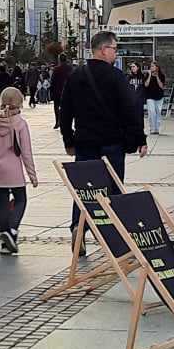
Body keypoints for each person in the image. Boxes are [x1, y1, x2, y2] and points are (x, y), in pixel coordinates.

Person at [56, 30, 148, 243]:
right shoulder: (116, 77)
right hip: (111, 144)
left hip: (85, 143)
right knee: (113, 189)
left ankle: (78, 227)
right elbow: (130, 110)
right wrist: (139, 139)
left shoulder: (76, 76)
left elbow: (65, 111)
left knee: (84, 191)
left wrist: (68, 140)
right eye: (114, 49)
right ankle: (115, 236)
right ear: (104, 50)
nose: (116, 53)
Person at [0, 86, 38, 255]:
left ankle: (6, 241)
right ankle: (12, 230)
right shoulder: (20, 123)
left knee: (2, 204)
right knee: (21, 200)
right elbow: (26, 152)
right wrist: (32, 175)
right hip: (13, 172)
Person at [142, 59, 167, 137]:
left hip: (159, 96)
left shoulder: (161, 75)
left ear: (157, 67)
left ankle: (157, 128)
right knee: (152, 112)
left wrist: (157, 77)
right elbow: (146, 85)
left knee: (158, 112)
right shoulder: (147, 75)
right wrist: (149, 75)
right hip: (150, 96)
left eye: (153, 66)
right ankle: (152, 128)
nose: (151, 68)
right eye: (151, 66)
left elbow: (162, 86)